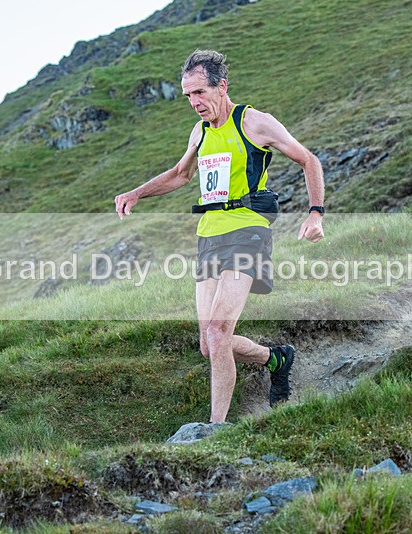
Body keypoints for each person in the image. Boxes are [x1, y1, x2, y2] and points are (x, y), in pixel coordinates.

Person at [115, 50, 324, 423]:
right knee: (209, 345)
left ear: (221, 86)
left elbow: (308, 159)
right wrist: (136, 193)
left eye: (199, 92)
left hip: (247, 230)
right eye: (188, 96)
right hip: (209, 235)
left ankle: (216, 429)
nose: (194, 102)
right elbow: (180, 174)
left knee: (218, 330)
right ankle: (275, 359)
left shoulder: (254, 122)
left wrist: (315, 213)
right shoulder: (200, 132)